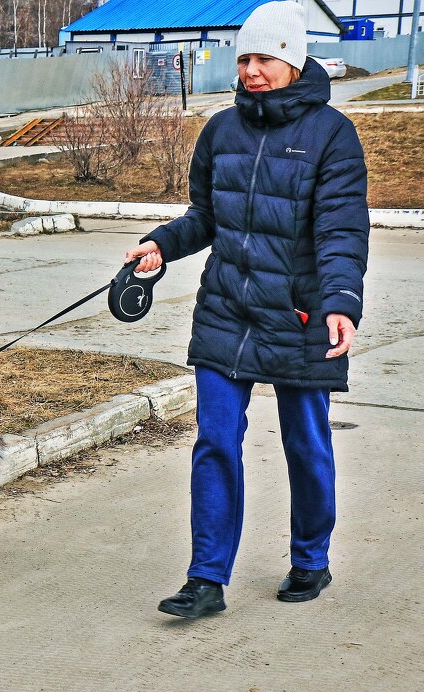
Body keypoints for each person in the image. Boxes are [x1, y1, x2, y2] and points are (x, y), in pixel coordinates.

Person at [125, 0, 369, 619]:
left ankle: (311, 557)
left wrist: (341, 302)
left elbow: (340, 230)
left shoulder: (331, 135)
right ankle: (206, 578)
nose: (251, 70)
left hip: (299, 314)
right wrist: (161, 244)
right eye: (244, 59)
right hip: (227, 311)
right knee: (214, 440)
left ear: (292, 59)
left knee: (305, 442)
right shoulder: (220, 131)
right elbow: (206, 217)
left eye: (264, 58)